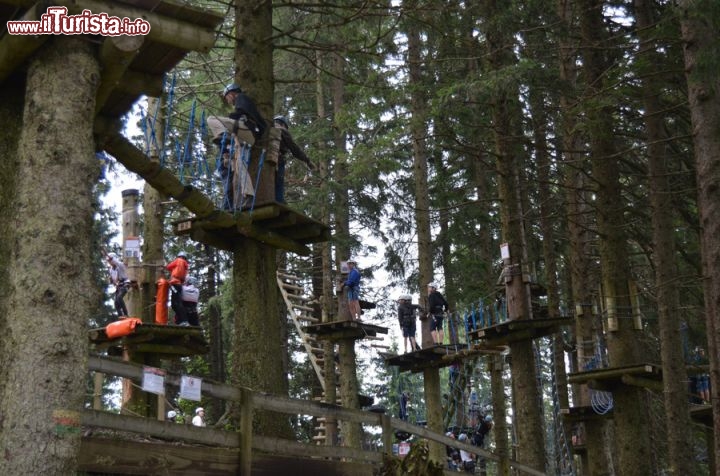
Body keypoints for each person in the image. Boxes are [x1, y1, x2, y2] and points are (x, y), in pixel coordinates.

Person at [207, 83, 266, 210]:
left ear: (232, 93)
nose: (228, 101)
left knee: (211, 119)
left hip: (245, 129)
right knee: (240, 164)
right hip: (247, 135)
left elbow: (240, 113)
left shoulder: (241, 98)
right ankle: (248, 194)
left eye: (227, 97)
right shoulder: (246, 103)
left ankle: (224, 136)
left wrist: (228, 118)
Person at [272, 115, 315, 203]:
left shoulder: (267, 129)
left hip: (264, 159)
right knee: (279, 182)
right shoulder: (283, 131)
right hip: (277, 160)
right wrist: (308, 161)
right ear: (283, 125)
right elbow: (295, 149)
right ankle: (279, 201)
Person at [166, 251, 189, 326]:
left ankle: (184, 320)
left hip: (174, 283)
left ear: (179, 256)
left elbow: (168, 267)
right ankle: (180, 321)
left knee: (176, 303)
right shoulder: (186, 266)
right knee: (176, 303)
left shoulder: (178, 260)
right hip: (179, 285)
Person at [105, 252, 129, 319]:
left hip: (125, 283)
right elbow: (114, 280)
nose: (109, 263)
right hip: (119, 285)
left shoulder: (120, 265)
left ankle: (126, 314)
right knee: (116, 303)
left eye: (110, 261)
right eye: (108, 261)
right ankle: (120, 316)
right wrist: (111, 281)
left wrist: (111, 258)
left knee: (119, 297)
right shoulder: (111, 270)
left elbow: (116, 262)